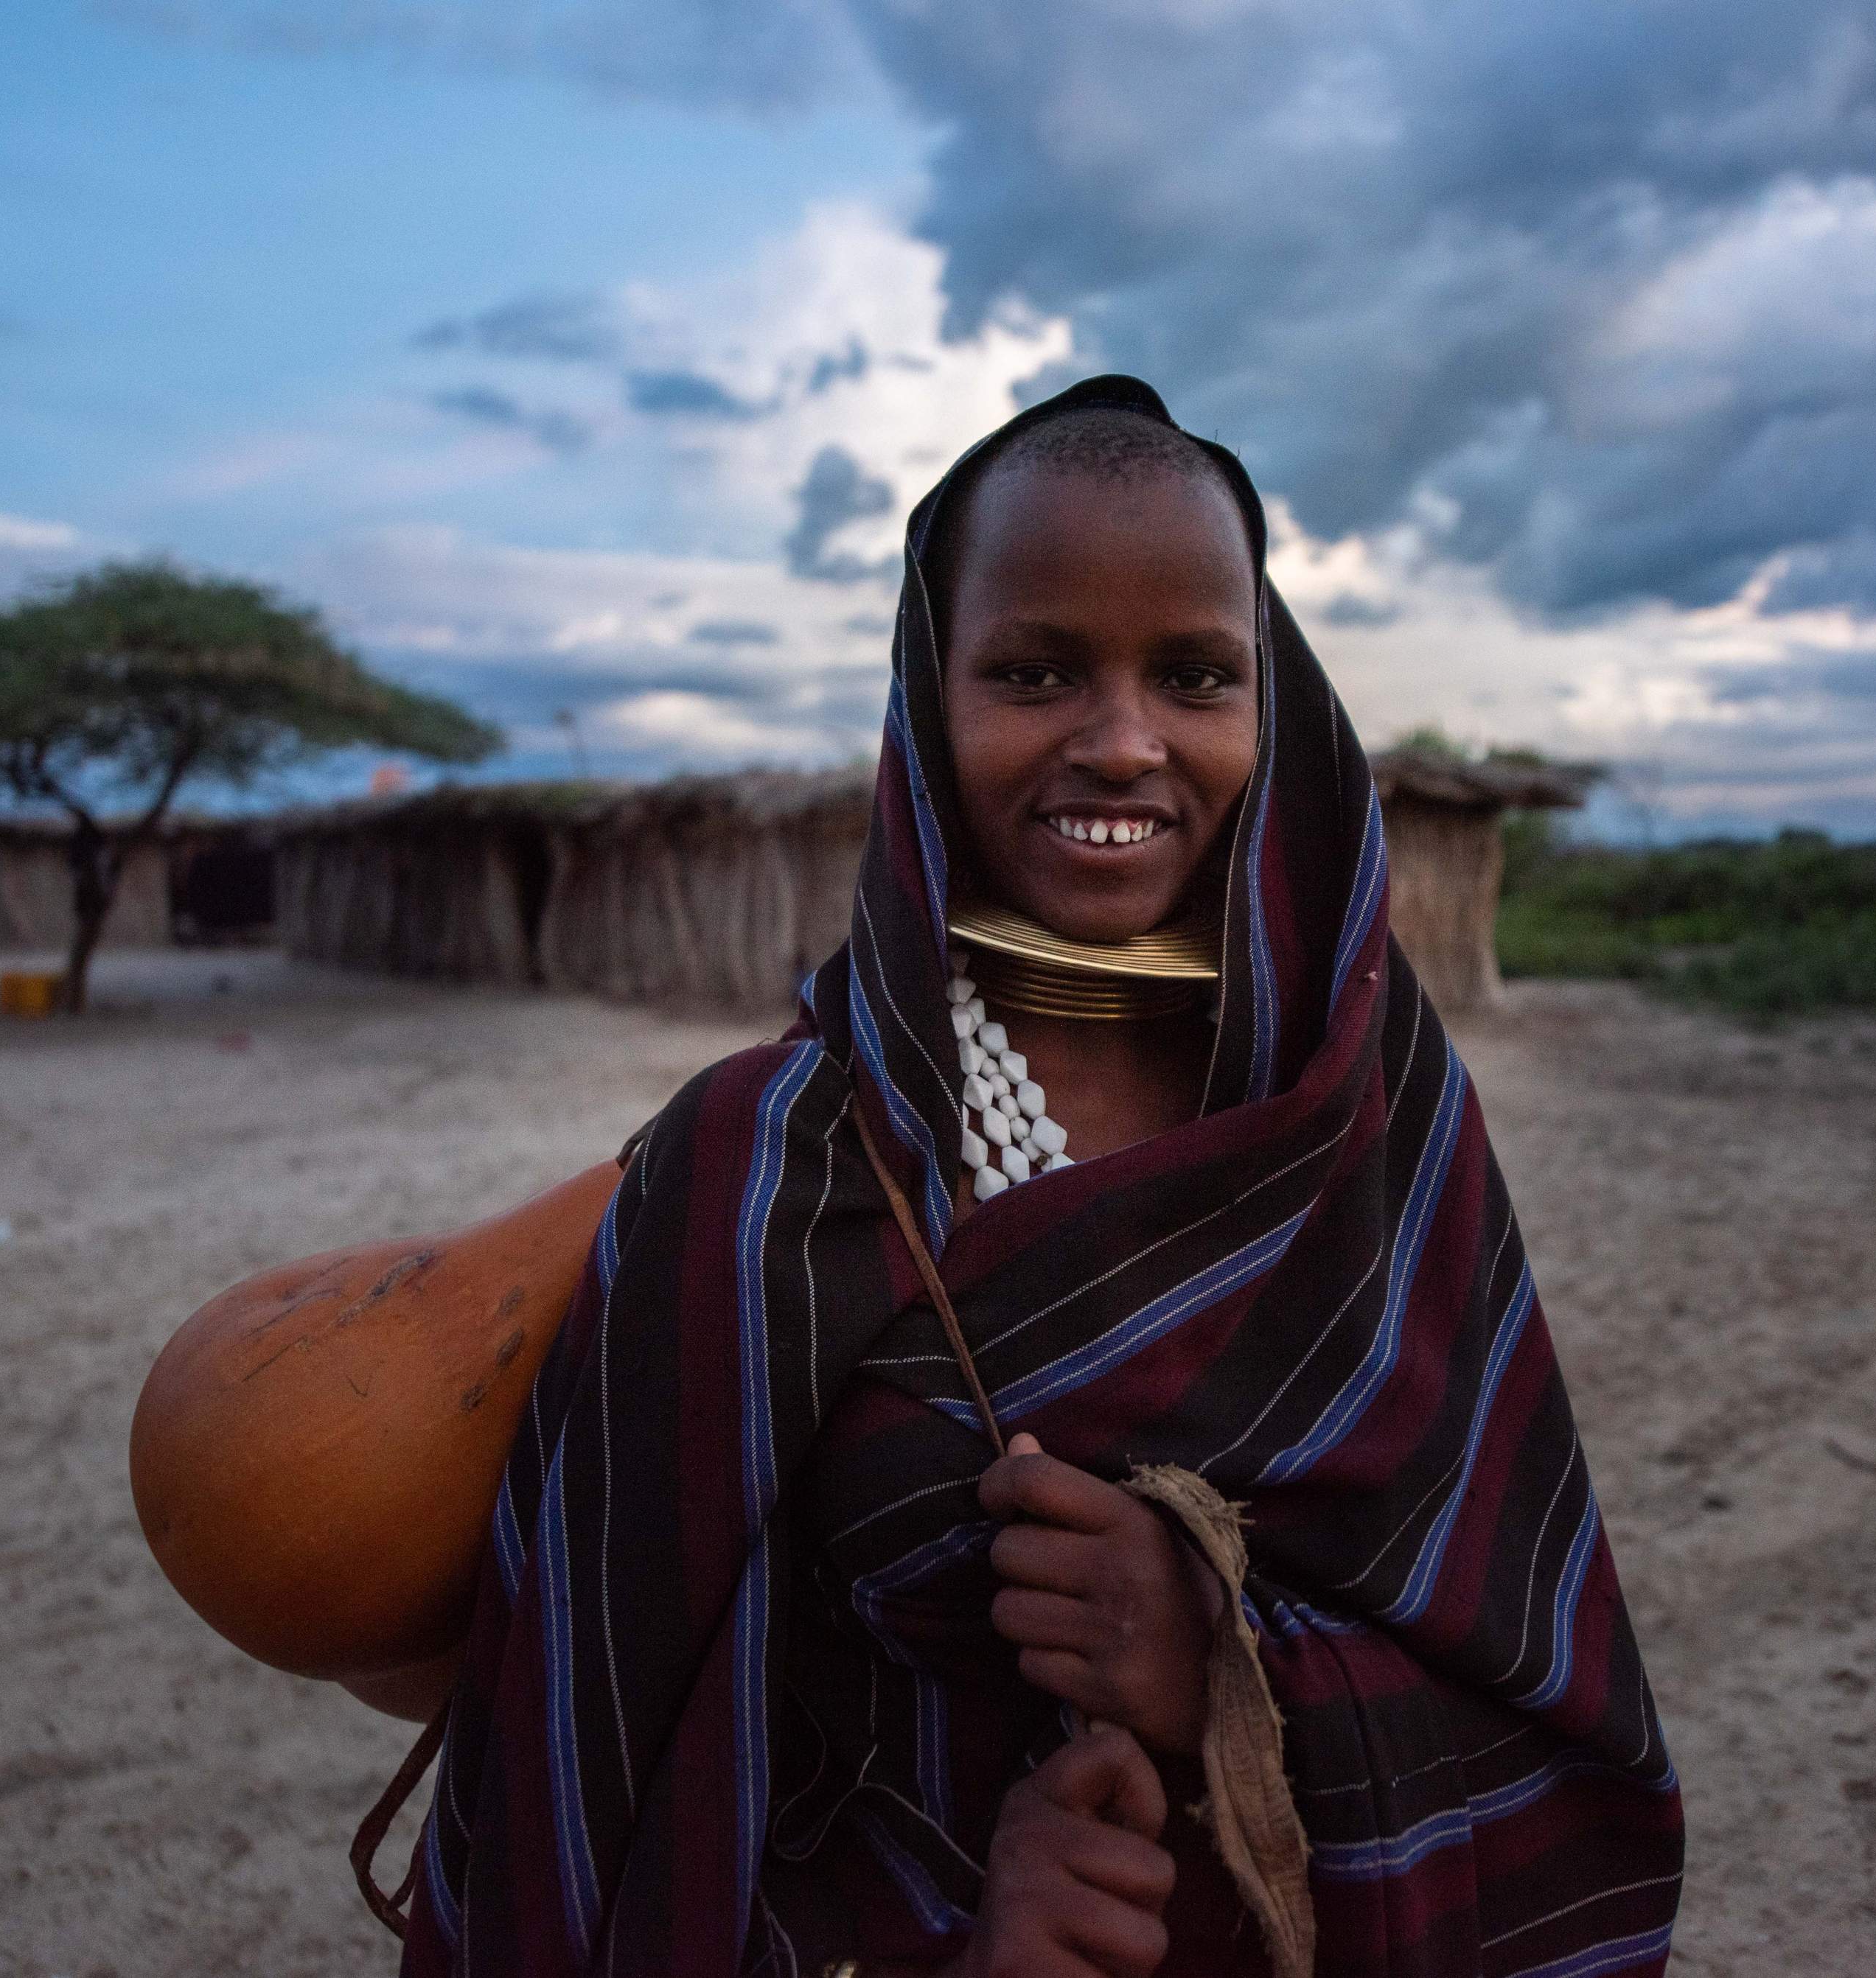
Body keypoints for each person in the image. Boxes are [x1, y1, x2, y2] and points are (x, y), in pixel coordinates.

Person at [400, 379, 1681, 1977]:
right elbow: (596, 1797)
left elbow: (1551, 1708)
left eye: (1196, 674)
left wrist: (1218, 1668)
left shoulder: (1375, 1127)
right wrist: (961, 1939)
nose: (1123, 740)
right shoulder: (756, 1175)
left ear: (1269, 701)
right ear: (925, 701)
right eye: (1031, 671)